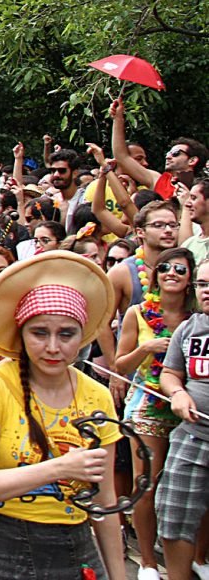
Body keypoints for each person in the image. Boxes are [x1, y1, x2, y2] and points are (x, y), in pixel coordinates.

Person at [0, 251, 125, 580]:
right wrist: (58, 468)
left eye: (66, 334)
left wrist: (118, 575)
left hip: (74, 550)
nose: (53, 347)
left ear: (81, 335)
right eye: (40, 333)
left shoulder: (97, 396)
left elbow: (104, 501)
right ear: (21, 333)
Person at [114, 245, 193, 580]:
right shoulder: (138, 313)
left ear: (191, 279)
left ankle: (196, 558)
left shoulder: (198, 317)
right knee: (146, 482)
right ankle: (147, 561)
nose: (171, 274)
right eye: (165, 268)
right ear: (155, 276)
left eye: (179, 269)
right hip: (148, 404)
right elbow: (119, 364)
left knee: (193, 485)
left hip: (191, 406)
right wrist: (146, 347)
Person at [157, 256, 209, 580]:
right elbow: (170, 373)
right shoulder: (188, 329)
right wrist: (177, 393)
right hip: (193, 434)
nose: (207, 292)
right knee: (173, 514)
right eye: (203, 284)